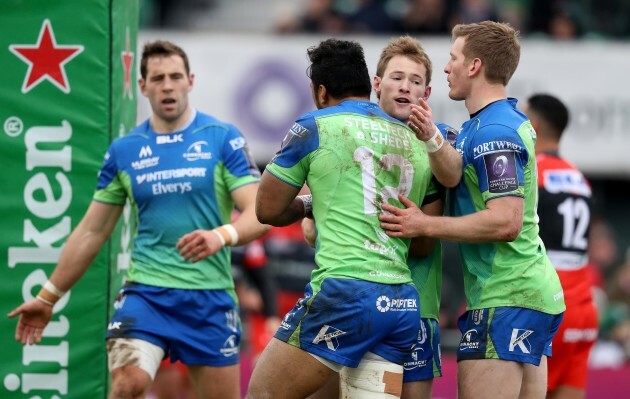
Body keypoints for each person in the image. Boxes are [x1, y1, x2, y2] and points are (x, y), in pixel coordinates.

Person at [8, 40, 268, 399]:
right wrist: (48, 296)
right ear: (143, 86)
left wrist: (221, 235)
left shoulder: (222, 139)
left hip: (208, 300)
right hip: (146, 296)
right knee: (127, 385)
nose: (167, 85)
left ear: (190, 81)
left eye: (175, 76)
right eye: (158, 78)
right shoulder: (124, 151)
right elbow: (92, 231)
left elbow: (260, 211)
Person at [379, 21, 566, 399]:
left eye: (453, 58)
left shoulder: (494, 133)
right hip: (526, 293)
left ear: (474, 66)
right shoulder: (488, 124)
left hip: (507, 294)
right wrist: (432, 137)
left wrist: (424, 224)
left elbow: (506, 221)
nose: (446, 67)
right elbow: (452, 177)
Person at [246, 38, 439, 399]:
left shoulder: (314, 126)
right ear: (370, 85)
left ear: (320, 92)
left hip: (345, 293)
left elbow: (266, 209)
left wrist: (309, 204)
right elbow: (425, 242)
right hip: (401, 306)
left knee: (262, 394)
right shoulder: (417, 139)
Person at [304, 35, 453, 399]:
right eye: (397, 77)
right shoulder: (344, 134)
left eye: (415, 81)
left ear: (427, 93)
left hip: (416, 304)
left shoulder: (438, 143)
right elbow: (309, 230)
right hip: (348, 293)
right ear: (376, 84)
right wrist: (312, 211)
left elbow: (423, 244)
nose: (405, 87)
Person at [522, 93, 598, 399]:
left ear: (534, 125)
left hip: (551, 304)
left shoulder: (532, 172)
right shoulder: (580, 178)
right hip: (585, 308)